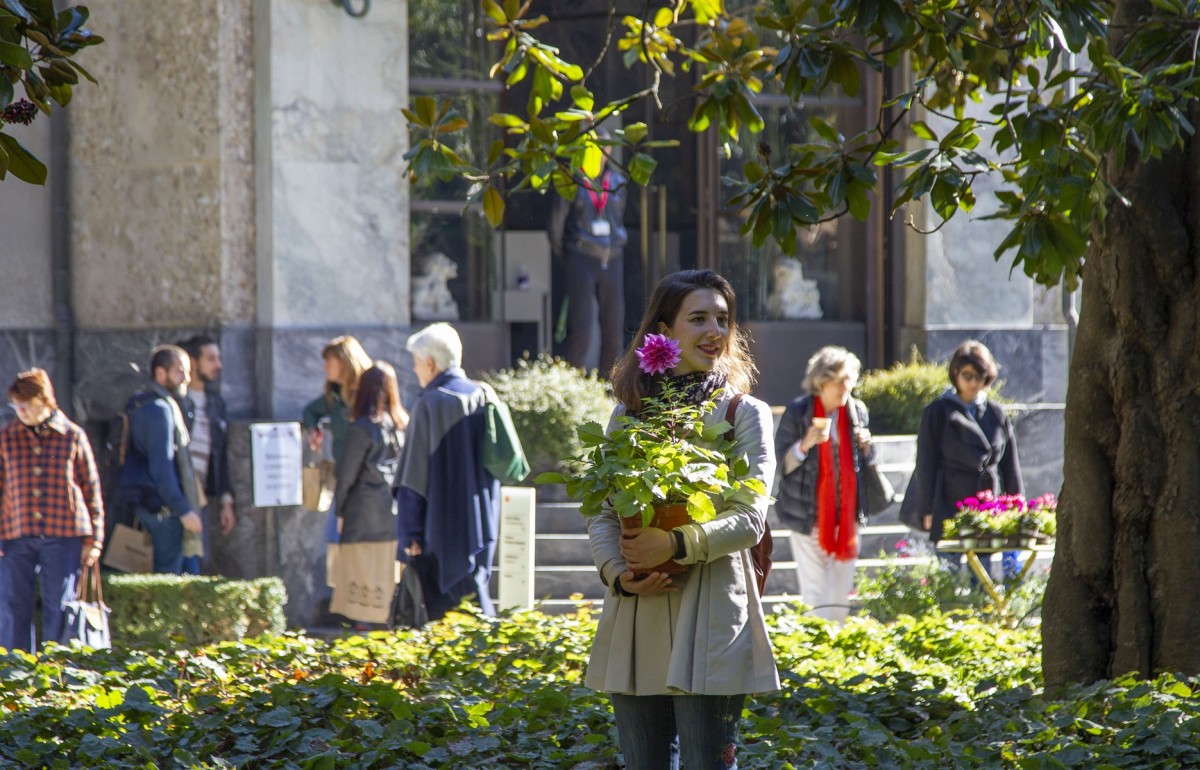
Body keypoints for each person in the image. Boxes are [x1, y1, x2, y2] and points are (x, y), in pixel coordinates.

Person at [585, 270, 778, 770]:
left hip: (711, 612)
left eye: (722, 319)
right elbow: (605, 514)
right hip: (637, 611)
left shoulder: (745, 413)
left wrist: (673, 545)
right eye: (698, 318)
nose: (715, 331)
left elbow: (750, 518)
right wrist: (621, 574)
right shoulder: (628, 416)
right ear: (663, 331)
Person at [395, 323, 498, 621]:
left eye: (416, 364)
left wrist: (409, 534)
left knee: (443, 616)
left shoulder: (429, 404)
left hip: (438, 528)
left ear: (430, 363)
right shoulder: (484, 395)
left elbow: (412, 477)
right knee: (476, 605)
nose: (415, 371)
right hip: (482, 522)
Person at [0, 369, 105, 651]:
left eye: (26, 405)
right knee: (12, 604)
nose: (20, 411)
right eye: (16, 405)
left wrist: (94, 540)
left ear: (44, 401)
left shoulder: (72, 436)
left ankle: (56, 673)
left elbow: (91, 489)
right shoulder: (7, 438)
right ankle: (15, 672)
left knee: (59, 606)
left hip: (63, 532)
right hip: (15, 532)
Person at [900, 340, 1024, 574]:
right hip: (948, 500)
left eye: (980, 376)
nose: (973, 383)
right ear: (955, 374)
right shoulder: (938, 411)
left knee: (984, 573)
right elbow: (926, 463)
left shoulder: (996, 413)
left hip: (986, 501)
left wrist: (1016, 505)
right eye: (967, 376)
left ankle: (984, 610)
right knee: (949, 571)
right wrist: (927, 509)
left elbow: (1009, 465)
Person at [774, 346, 874, 624]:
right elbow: (781, 465)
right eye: (841, 379)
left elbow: (865, 466)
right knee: (815, 594)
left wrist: (867, 449)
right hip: (808, 518)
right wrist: (805, 444)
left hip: (848, 519)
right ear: (822, 380)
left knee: (841, 594)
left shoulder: (857, 410)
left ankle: (837, 653)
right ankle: (816, 652)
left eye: (850, 379)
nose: (847, 386)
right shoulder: (798, 411)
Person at [110, 345, 203, 574]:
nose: (186, 379)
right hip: (160, 509)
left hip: (140, 502)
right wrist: (183, 510)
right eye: (180, 371)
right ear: (161, 373)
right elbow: (161, 466)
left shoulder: (139, 402)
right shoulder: (159, 409)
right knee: (168, 580)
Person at [330, 361, 408, 623]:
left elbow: (347, 476)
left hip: (362, 515)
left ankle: (363, 643)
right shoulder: (399, 426)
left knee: (358, 590)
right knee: (385, 587)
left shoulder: (363, 427)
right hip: (392, 515)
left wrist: (339, 511)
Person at [548, 125, 629, 372]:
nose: (600, 152)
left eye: (604, 147)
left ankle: (609, 386)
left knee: (613, 328)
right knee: (581, 326)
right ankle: (575, 386)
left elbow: (619, 216)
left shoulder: (618, 181)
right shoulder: (573, 180)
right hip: (581, 256)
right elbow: (556, 226)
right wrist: (570, 253)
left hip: (611, 257)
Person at [302, 335, 373, 539]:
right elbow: (310, 411)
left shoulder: (367, 393)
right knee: (333, 539)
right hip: (342, 479)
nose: (325, 367)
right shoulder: (334, 396)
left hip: (365, 483)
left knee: (339, 539)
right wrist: (313, 431)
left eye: (329, 362)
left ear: (344, 361)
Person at [176, 335, 236, 574]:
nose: (218, 365)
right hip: (175, 493)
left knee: (199, 559)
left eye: (219, 359)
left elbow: (220, 456)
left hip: (200, 495)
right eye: (211, 359)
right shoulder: (177, 401)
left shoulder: (216, 402)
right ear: (192, 361)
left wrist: (226, 502)